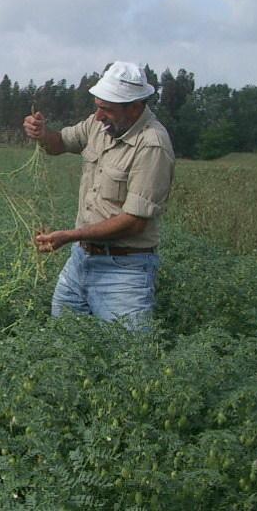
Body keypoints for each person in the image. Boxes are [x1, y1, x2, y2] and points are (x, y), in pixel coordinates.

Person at [22, 61, 175, 330]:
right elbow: (60, 143)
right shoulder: (97, 124)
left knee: (127, 358)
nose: (99, 114)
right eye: (98, 106)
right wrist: (43, 134)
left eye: (107, 109)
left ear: (135, 107)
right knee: (65, 340)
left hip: (124, 271)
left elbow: (134, 221)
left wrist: (69, 235)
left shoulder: (152, 144)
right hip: (81, 260)